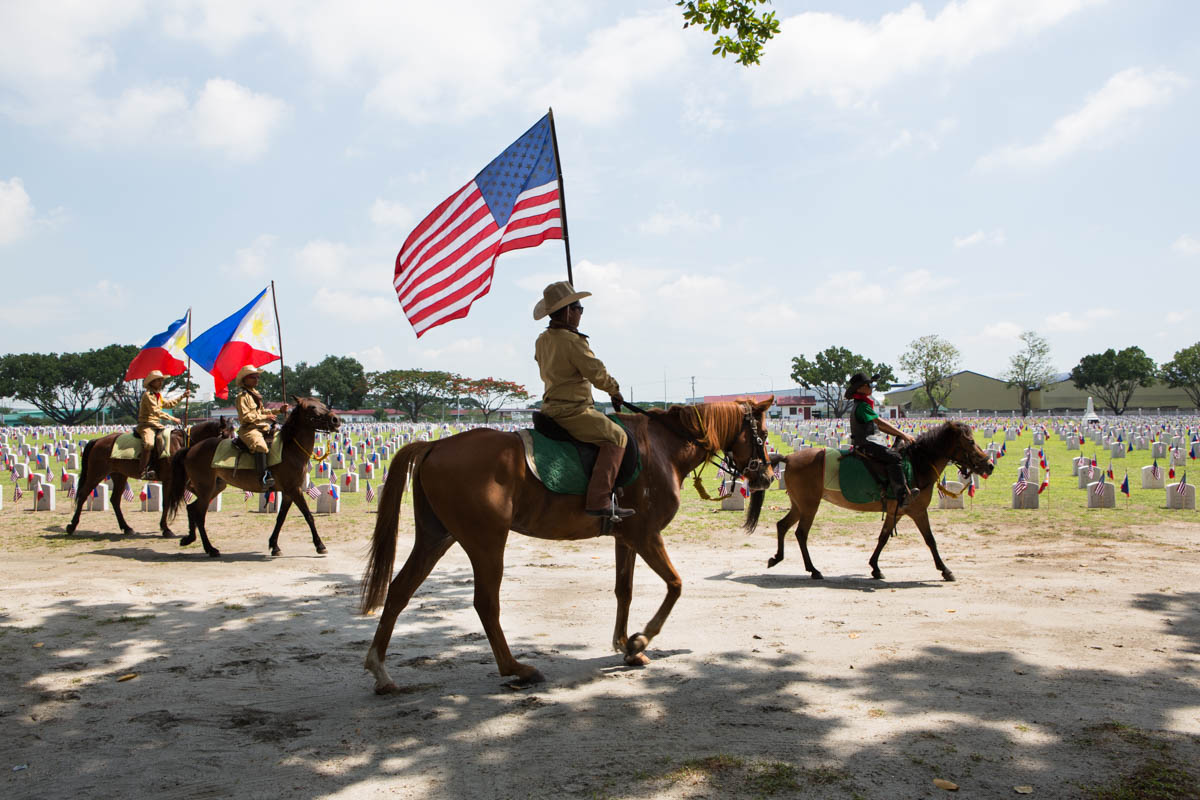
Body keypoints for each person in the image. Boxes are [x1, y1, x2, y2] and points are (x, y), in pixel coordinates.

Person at [533, 281, 633, 520]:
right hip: (572, 411)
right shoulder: (572, 341)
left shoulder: (543, 339)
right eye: (579, 308)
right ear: (568, 311)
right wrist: (615, 391)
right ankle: (599, 500)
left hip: (549, 407)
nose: (580, 314)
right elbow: (596, 373)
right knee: (617, 436)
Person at [846, 372, 916, 508]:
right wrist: (904, 434)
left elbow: (881, 427)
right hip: (866, 443)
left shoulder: (862, 404)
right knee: (895, 457)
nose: (871, 386)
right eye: (868, 384)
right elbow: (880, 423)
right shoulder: (862, 406)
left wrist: (900, 435)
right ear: (859, 389)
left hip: (869, 441)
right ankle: (902, 496)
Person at [234, 366, 286, 488]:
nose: (257, 380)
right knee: (261, 447)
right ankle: (263, 477)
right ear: (245, 379)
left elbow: (262, 411)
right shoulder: (242, 396)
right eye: (253, 377)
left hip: (262, 427)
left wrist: (278, 410)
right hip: (249, 429)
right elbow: (246, 417)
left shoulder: (255, 394)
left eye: (258, 377)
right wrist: (265, 417)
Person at [135, 371, 189, 480]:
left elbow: (168, 404)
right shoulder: (148, 395)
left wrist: (182, 396)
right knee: (149, 444)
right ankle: (144, 470)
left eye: (161, 380)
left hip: (157, 425)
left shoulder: (157, 395)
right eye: (158, 380)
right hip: (146, 425)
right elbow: (156, 411)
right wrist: (172, 418)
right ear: (152, 382)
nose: (161, 382)